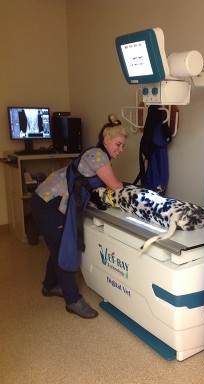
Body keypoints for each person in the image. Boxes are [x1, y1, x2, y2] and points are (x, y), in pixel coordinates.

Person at [31, 114, 128, 319]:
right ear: (106, 139)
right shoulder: (97, 156)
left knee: (56, 245)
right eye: (118, 144)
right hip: (49, 203)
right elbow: (116, 186)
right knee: (62, 247)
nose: (120, 149)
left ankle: (50, 285)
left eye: (123, 146)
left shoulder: (98, 155)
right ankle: (73, 300)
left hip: (50, 201)